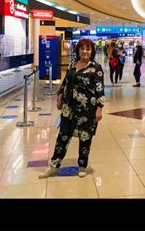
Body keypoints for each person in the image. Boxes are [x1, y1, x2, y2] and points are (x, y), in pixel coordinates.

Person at [39, 39, 105, 179]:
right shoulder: (72, 64)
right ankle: (53, 165)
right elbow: (65, 82)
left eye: (88, 49)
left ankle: (82, 165)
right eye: (82, 49)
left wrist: (99, 108)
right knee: (63, 136)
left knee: (85, 137)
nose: (85, 52)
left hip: (88, 109)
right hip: (69, 107)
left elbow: (99, 88)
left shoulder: (96, 68)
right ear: (78, 50)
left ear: (92, 51)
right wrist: (59, 96)